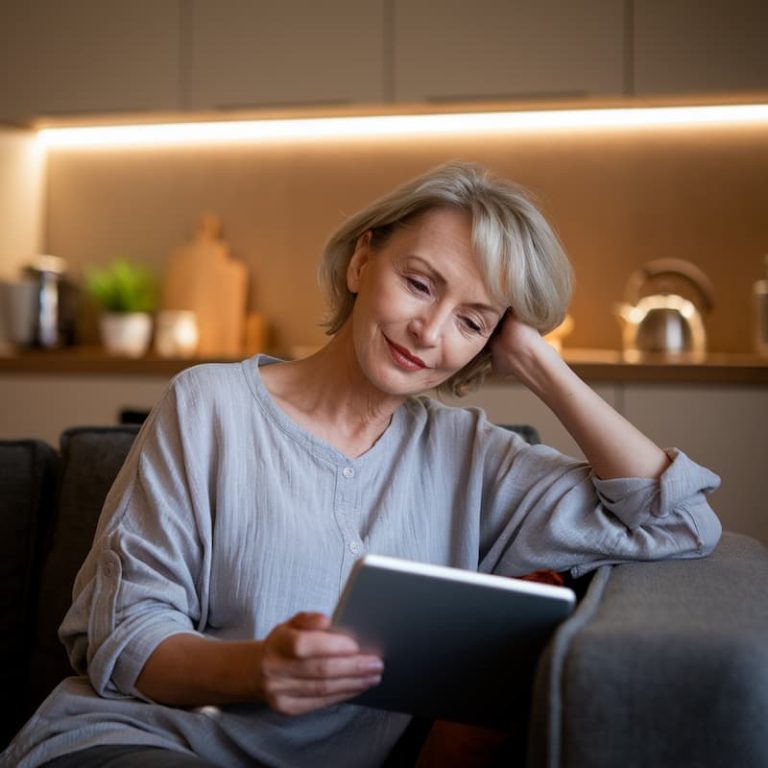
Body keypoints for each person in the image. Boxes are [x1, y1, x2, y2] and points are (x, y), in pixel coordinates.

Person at [1, 162, 721, 768]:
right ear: (360, 259)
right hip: (141, 743)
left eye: (473, 321)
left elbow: (680, 522)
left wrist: (539, 363)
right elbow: (121, 639)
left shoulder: (472, 456)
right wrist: (260, 669)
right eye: (420, 283)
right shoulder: (209, 405)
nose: (429, 332)